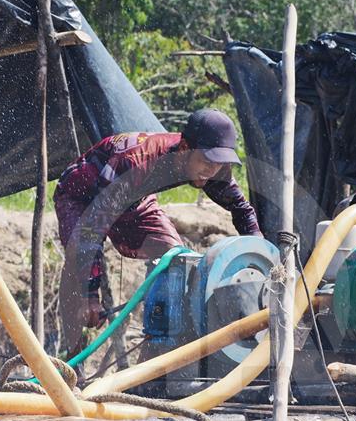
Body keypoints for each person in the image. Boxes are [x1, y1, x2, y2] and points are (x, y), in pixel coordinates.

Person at [54, 109, 261, 358]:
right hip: (82, 199)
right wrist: (90, 294)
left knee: (176, 259)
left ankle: (156, 354)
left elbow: (241, 209)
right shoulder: (136, 162)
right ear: (184, 147)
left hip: (134, 200)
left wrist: (260, 255)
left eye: (218, 163)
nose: (211, 170)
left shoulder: (212, 168)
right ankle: (72, 367)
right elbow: (91, 229)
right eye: (207, 161)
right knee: (79, 281)